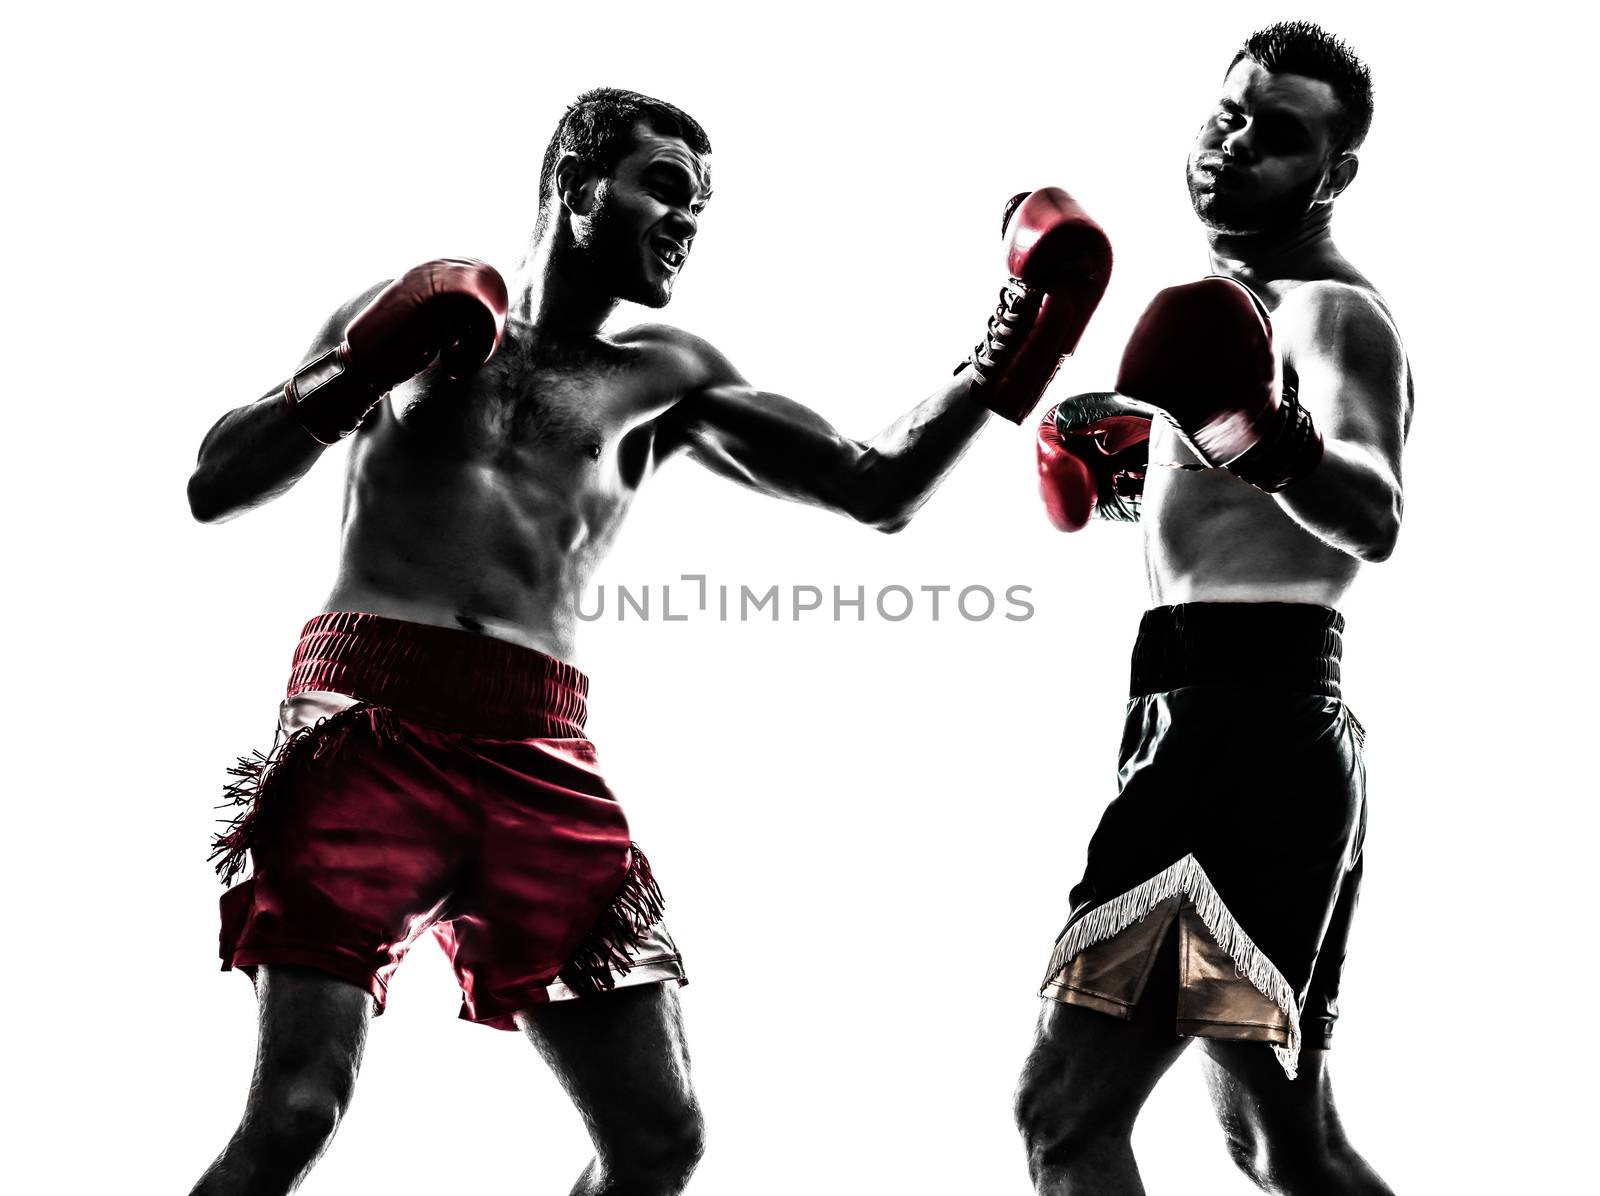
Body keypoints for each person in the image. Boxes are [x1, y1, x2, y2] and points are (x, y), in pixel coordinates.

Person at [185, 87, 1111, 1196]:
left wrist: (1015, 350)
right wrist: (362, 364)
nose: (686, 221)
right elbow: (215, 482)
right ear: (577, 187)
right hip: (364, 725)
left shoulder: (666, 377)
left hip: (538, 747)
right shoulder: (409, 315)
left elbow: (878, 486)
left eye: (702, 204)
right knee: (295, 1108)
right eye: (665, 186)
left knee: (659, 1137)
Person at [1017, 23, 1411, 1195]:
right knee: (1280, 1145)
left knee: (1063, 1117)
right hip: (1232, 716)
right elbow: (1251, 522)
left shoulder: (1329, 313)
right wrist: (1131, 476)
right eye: (1227, 115)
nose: (1235, 145)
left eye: (1278, 135)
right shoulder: (1239, 310)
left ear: (1331, 175)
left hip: (1238, 728)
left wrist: (1249, 429)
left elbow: (1375, 511)